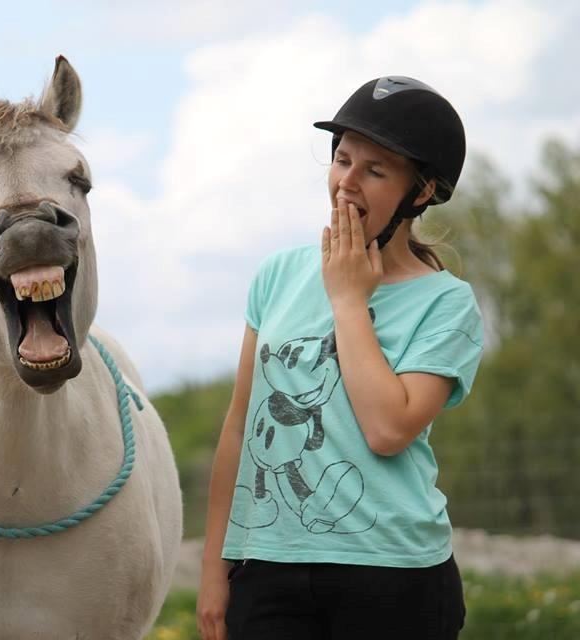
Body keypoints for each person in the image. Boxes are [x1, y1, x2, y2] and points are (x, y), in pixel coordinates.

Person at [196, 76, 484, 640]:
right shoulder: (276, 276)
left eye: (375, 171)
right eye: (342, 160)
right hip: (267, 570)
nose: (346, 183)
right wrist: (214, 567)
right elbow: (239, 428)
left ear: (420, 192)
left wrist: (349, 300)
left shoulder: (448, 303)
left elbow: (387, 429)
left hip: (396, 580)